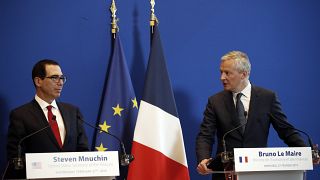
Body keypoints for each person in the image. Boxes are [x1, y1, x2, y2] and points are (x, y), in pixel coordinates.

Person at [195, 51, 309, 179]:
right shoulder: (215, 101)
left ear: (244, 74)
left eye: (227, 73)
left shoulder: (267, 98)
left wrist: (306, 154)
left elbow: (286, 131)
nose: (222, 77)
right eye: (221, 72)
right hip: (226, 173)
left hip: (258, 171)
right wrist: (204, 159)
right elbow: (205, 135)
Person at [5, 59, 89, 178]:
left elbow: (83, 150)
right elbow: (15, 158)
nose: (60, 83)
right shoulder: (20, 115)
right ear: (38, 81)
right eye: (55, 77)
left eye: (62, 78)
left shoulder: (72, 112)